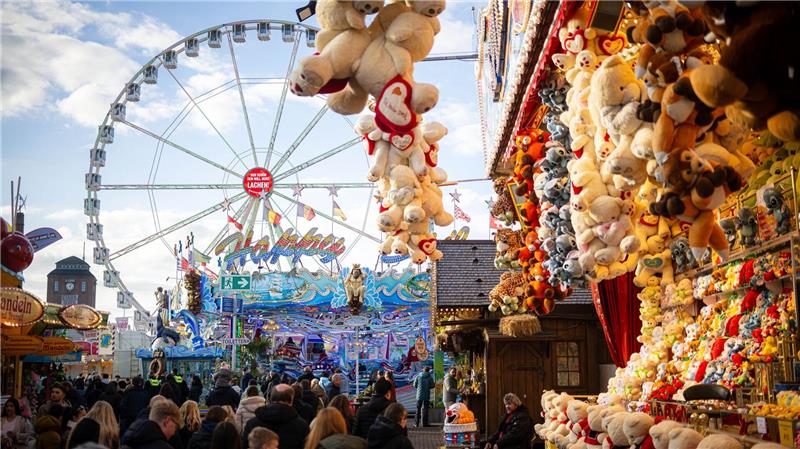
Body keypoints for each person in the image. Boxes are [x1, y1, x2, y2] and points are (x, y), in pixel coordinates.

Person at [242, 384, 309, 449]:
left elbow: (245, 445)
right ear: (291, 400)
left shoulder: (252, 423)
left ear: (270, 398)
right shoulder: (301, 426)